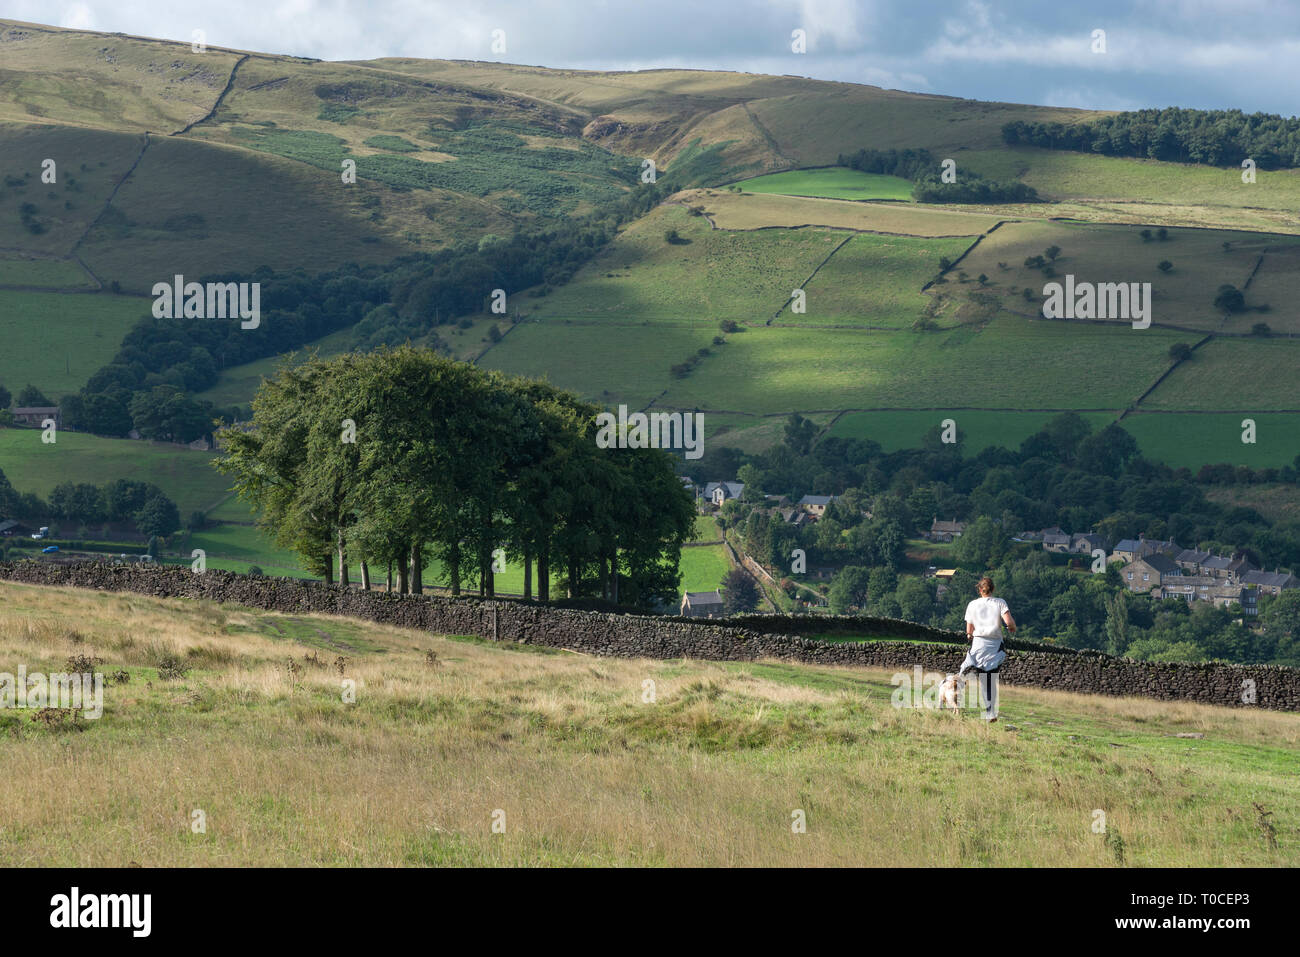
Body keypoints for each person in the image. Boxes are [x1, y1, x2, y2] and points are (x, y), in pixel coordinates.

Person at [961, 577, 1016, 721]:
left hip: (979, 645)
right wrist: (1011, 628)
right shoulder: (1000, 602)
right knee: (992, 678)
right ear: (993, 589)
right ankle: (991, 712)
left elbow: (969, 630)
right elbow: (1009, 622)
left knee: (984, 680)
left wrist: (970, 636)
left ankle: (988, 711)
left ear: (980, 590)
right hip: (995, 645)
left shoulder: (972, 604)